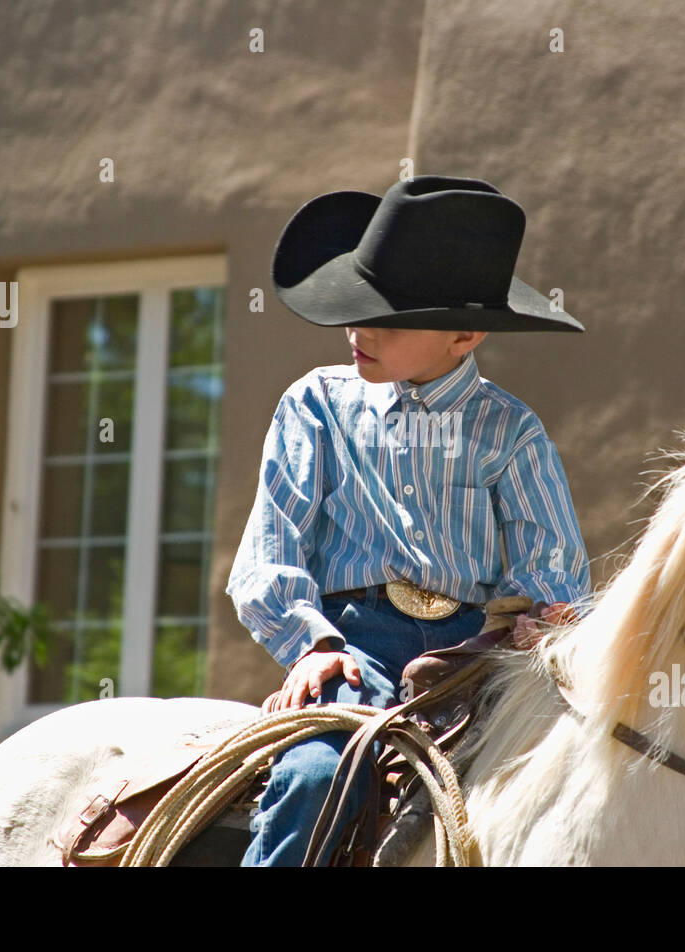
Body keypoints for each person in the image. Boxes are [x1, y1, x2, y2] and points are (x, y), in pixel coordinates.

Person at [227, 175, 591, 866]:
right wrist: (312, 644)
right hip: (353, 645)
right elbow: (271, 552)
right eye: (356, 309)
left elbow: (552, 573)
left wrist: (541, 619)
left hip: (472, 658)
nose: (357, 331)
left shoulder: (511, 432)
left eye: (386, 318)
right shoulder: (316, 406)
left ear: (465, 333)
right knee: (311, 779)